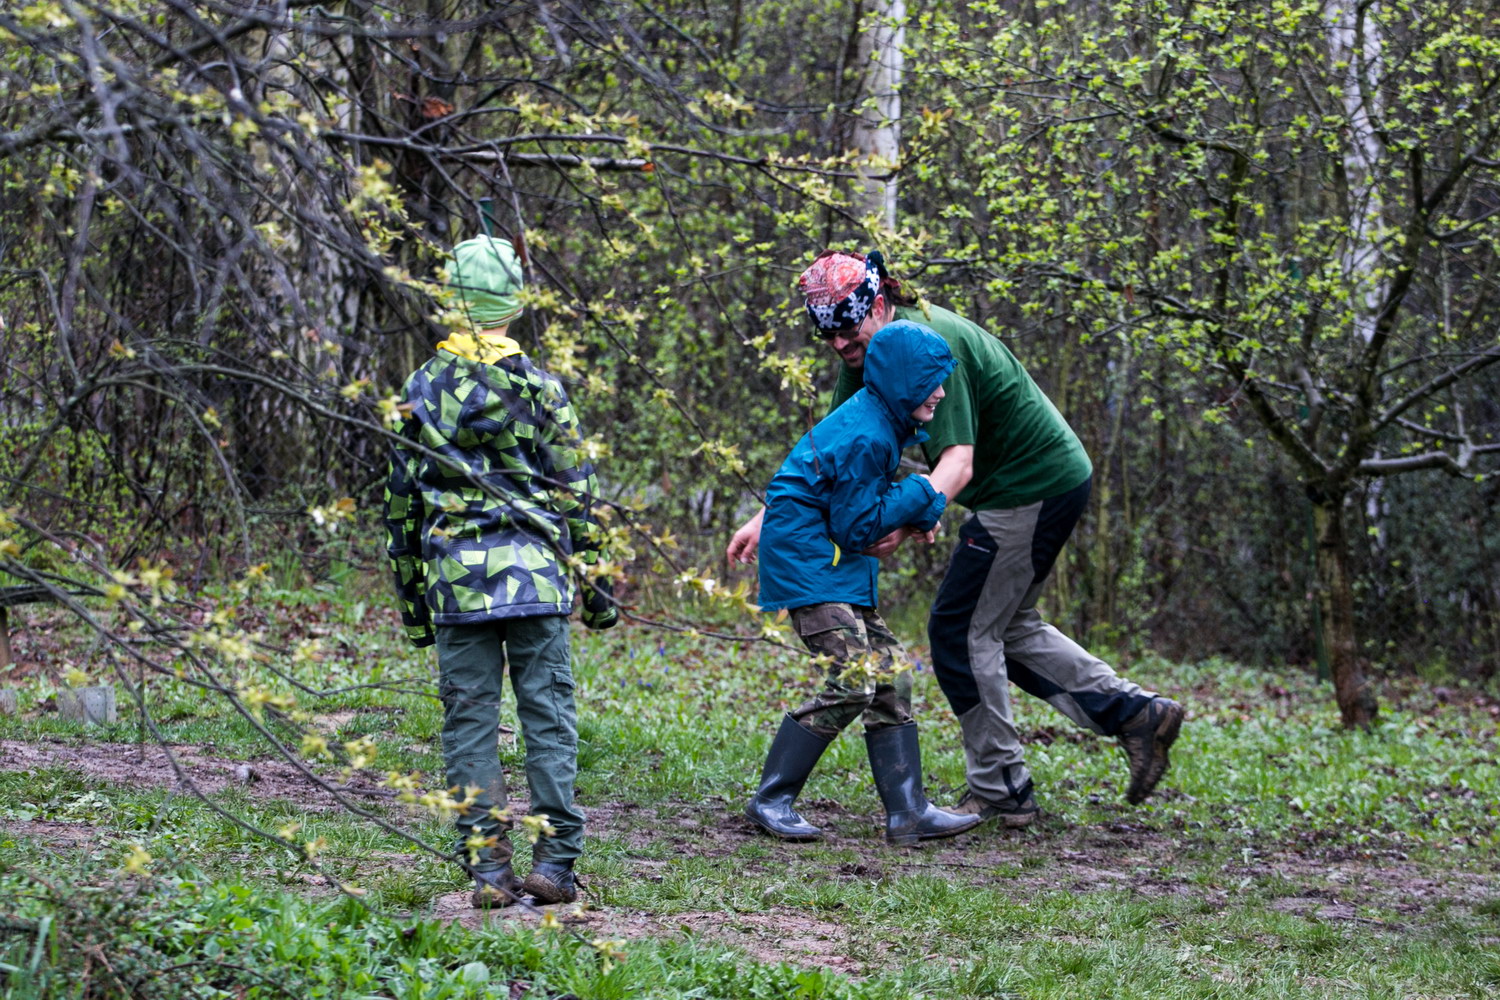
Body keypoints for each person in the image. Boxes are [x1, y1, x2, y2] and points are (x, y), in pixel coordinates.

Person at [730, 249, 1183, 827]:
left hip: (1030, 486)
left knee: (961, 630)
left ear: (880, 303)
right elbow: (831, 451)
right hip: (1026, 486)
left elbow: (957, 463)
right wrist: (767, 515)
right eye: (828, 335)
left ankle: (1000, 790)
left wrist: (906, 520)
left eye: (848, 327)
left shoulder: (920, 353)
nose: (840, 344)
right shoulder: (869, 354)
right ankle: (1135, 715)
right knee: (1003, 626)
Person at [384, 234, 616, 908]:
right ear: (514, 305)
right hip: (537, 577)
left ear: (449, 302)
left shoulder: (419, 391)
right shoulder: (542, 387)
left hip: (456, 585)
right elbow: (577, 492)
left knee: (469, 723)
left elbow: (401, 502)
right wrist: (596, 584)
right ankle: (556, 864)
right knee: (548, 717)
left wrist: (414, 604)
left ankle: (487, 867)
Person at [746, 320, 981, 847]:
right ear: (903, 381)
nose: (941, 393)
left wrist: (919, 506)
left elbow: (864, 509)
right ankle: (771, 800)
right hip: (809, 564)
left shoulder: (881, 422)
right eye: (931, 382)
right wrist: (920, 492)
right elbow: (859, 528)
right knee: (853, 680)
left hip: (834, 563)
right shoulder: (868, 435)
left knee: (892, 676)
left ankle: (909, 813)